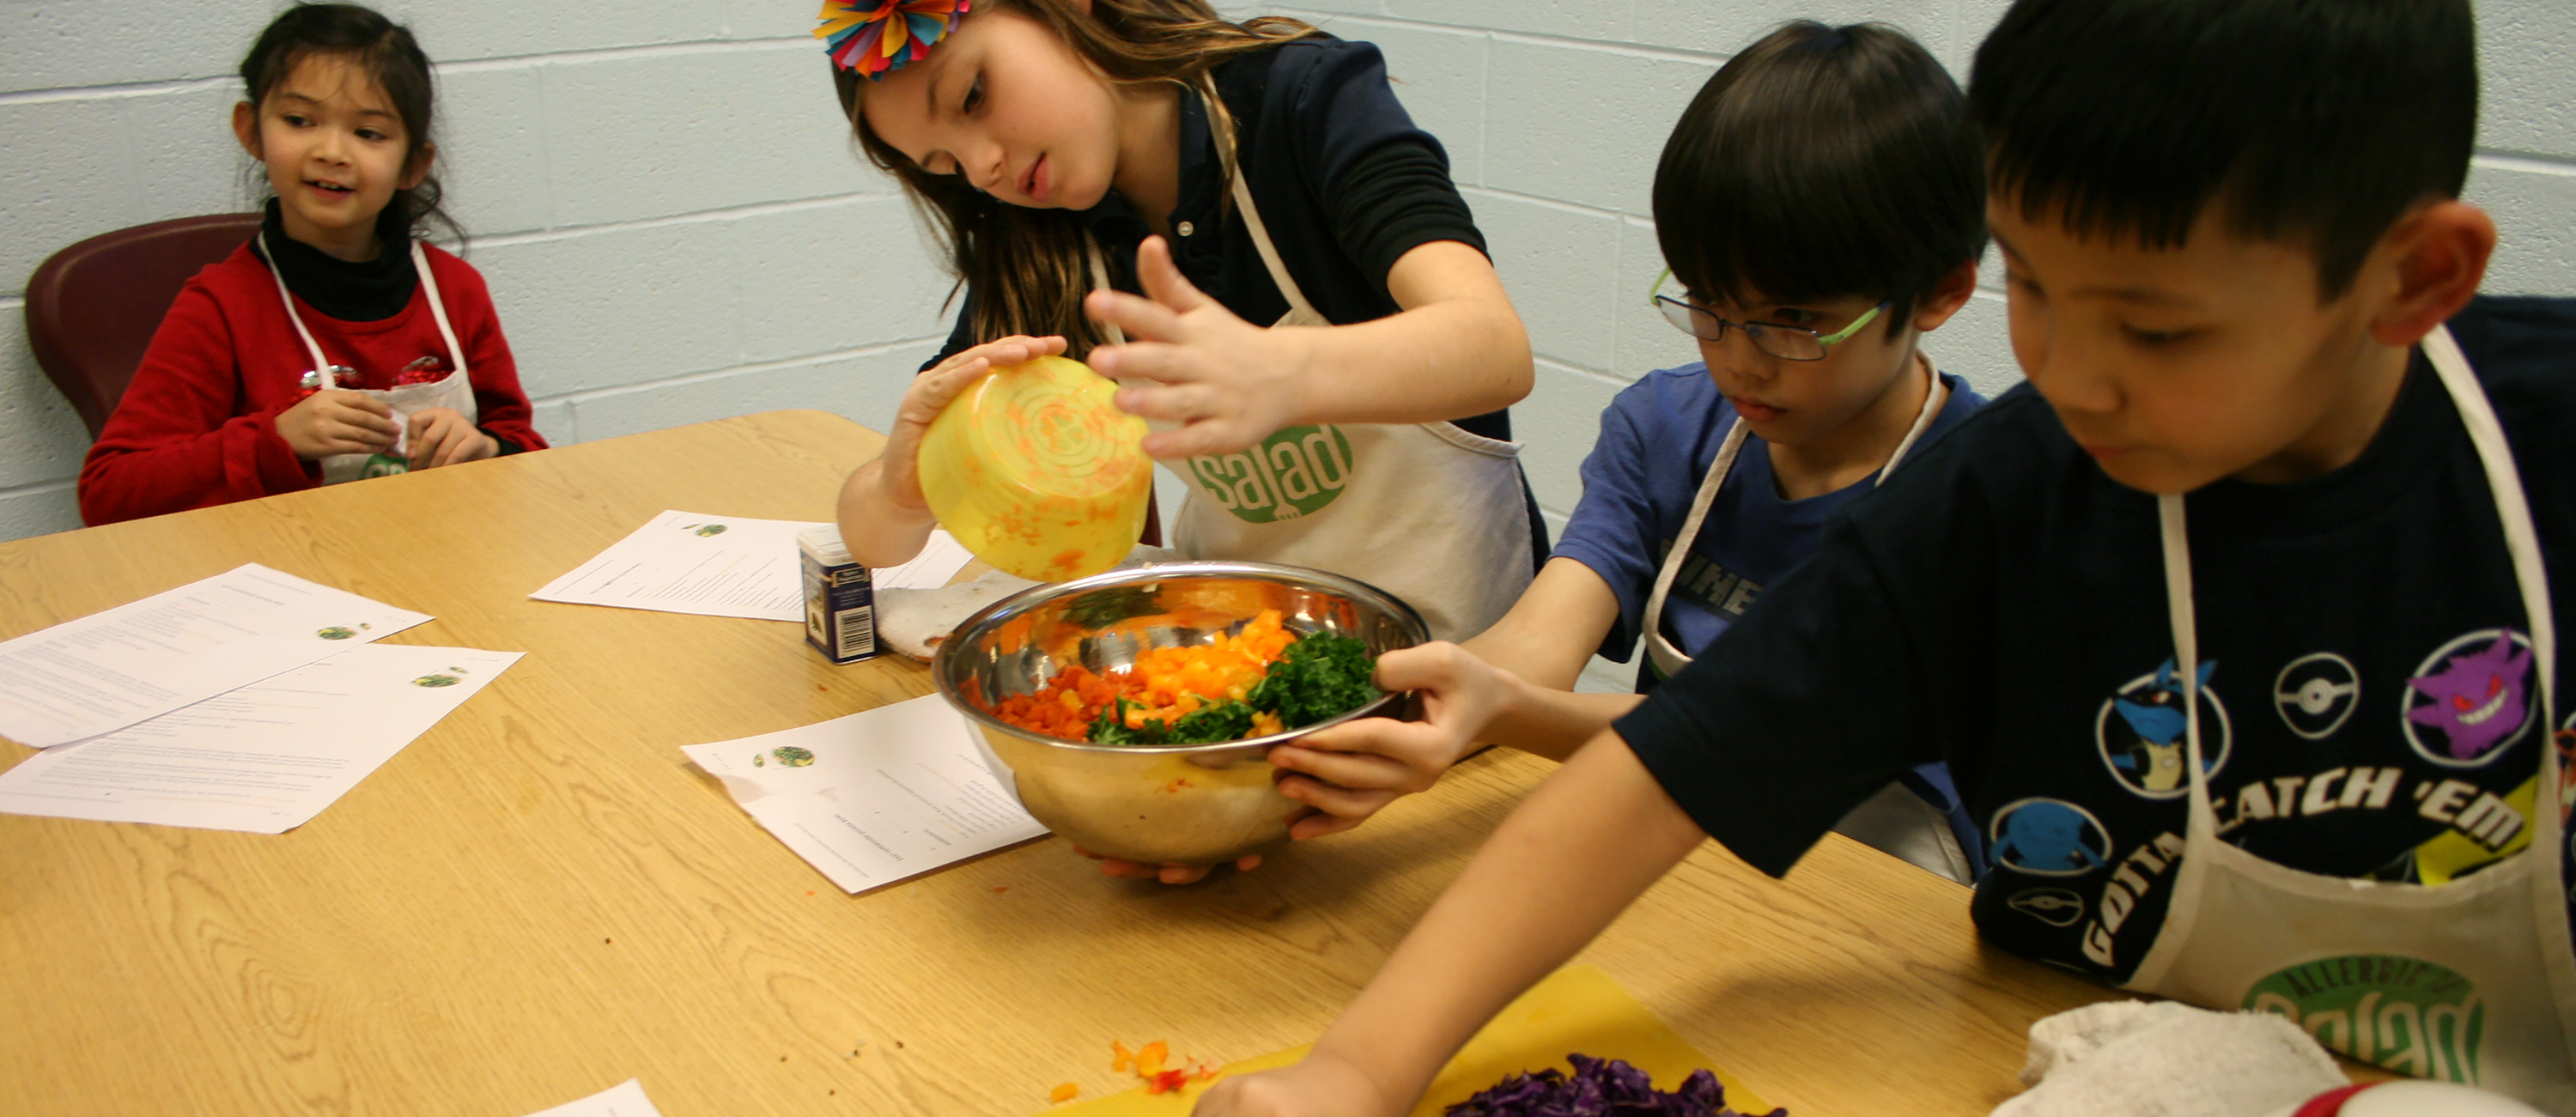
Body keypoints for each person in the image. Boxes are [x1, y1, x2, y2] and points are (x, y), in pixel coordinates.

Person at [1194, 0, 2576, 1112]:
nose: (2073, 379)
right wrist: (1356, 1069)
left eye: (2155, 331)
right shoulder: (2003, 500)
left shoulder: (2541, 440)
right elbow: (1652, 781)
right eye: (2036, 288)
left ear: (2415, 278)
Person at [1260, 21, 1994, 885]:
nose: (1742, 358)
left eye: (1795, 322)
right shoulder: (1666, 428)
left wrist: (1507, 710)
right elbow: (1538, 643)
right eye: (1710, 305)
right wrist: (1312, 742)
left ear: (1940, 292)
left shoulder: (1981, 492)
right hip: (1681, 846)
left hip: (1887, 886)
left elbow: (1773, 749)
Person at [823, 0, 1541, 655]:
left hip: (1462, 658)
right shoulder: (1039, 247)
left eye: (973, 95)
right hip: (1237, 651)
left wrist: (1288, 374)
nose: (983, 168)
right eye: (945, 164)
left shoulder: (1304, 99)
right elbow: (878, 542)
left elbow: (1494, 348)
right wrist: (899, 484)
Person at [79, 3, 545, 526]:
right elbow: (109, 494)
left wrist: (486, 449)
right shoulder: (220, 307)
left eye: (368, 133)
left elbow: (525, 449)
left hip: (446, 559)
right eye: (299, 121)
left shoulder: (456, 289)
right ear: (252, 131)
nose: (331, 151)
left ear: (413, 163)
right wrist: (274, 441)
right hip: (286, 580)